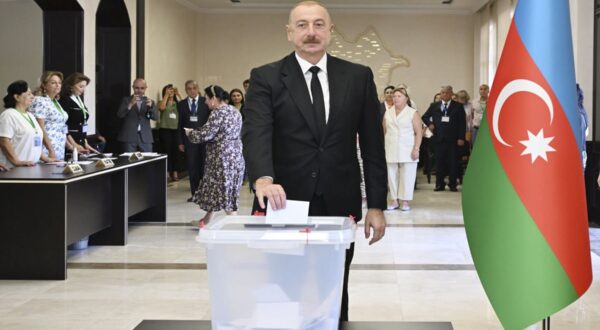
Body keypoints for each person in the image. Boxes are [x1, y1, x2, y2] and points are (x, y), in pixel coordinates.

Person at [242, 1, 387, 321]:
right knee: (284, 285)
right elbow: (256, 133)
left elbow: (373, 146)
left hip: (340, 200)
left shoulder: (358, 77)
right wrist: (263, 178)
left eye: (319, 24)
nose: (311, 32)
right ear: (289, 33)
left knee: (334, 287)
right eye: (303, 25)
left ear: (331, 31)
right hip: (283, 201)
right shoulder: (266, 77)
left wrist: (377, 205)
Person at [184, 85, 244, 225]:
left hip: (221, 158)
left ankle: (235, 224)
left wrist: (190, 133)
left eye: (206, 98)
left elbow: (206, 134)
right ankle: (206, 221)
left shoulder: (217, 113)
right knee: (222, 190)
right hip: (235, 156)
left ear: (214, 98)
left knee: (223, 191)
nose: (205, 101)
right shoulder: (234, 111)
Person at [383, 88, 423, 211]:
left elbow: (419, 132)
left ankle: (405, 200)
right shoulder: (388, 112)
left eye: (399, 96)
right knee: (391, 173)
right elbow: (384, 130)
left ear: (406, 98)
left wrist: (416, 148)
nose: (395, 98)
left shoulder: (412, 112)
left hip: (408, 147)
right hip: (391, 146)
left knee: (407, 174)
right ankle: (394, 200)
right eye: (394, 96)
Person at [422, 85, 466, 192]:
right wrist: (430, 124)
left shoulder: (458, 106)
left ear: (451, 94)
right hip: (439, 138)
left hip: (453, 139)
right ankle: (439, 184)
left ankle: (452, 184)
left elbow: (462, 123)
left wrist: (461, 137)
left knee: (452, 162)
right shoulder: (434, 105)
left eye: (447, 93)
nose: (444, 94)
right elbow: (424, 116)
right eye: (442, 92)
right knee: (439, 162)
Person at [0, 80, 51, 169]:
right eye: (28, 94)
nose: (32, 97)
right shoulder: (8, 115)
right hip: (14, 168)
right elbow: (4, 141)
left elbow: (35, 142)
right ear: (17, 97)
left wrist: (44, 158)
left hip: (31, 166)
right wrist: (16, 161)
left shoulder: (30, 115)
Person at [177, 80, 210, 202]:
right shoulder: (181, 104)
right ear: (186, 90)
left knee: (205, 167)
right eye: (189, 88)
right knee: (192, 167)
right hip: (189, 140)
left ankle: (205, 194)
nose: (192, 90)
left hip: (204, 139)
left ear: (198, 88)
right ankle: (195, 194)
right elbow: (179, 124)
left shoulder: (205, 101)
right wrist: (180, 142)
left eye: (194, 88)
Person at [59, 72, 101, 155]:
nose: (83, 89)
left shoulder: (78, 98)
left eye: (85, 86)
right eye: (81, 86)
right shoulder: (65, 100)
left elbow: (83, 123)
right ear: (71, 86)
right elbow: (64, 125)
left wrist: (85, 143)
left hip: (80, 139)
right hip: (70, 141)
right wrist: (73, 144)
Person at [30, 71, 66, 161]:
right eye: (53, 83)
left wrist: (71, 146)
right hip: (46, 149)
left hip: (59, 146)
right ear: (44, 85)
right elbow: (40, 128)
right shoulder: (40, 101)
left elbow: (61, 126)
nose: (57, 85)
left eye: (59, 83)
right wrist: (50, 149)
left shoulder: (55, 101)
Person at [117, 78, 157, 152]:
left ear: (145, 88)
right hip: (129, 136)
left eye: (142, 88)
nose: (139, 90)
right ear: (133, 87)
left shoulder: (150, 101)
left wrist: (151, 107)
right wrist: (131, 104)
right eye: (137, 88)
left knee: (148, 161)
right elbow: (120, 115)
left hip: (145, 136)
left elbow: (155, 117)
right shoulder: (126, 100)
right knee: (129, 161)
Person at [158, 84, 182, 181]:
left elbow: (184, 108)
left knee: (176, 151)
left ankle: (175, 171)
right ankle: (167, 172)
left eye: (172, 90)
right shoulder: (162, 101)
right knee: (167, 150)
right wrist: (166, 96)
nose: (171, 91)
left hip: (176, 129)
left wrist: (178, 94)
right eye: (169, 90)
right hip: (165, 129)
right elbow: (162, 108)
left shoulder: (177, 103)